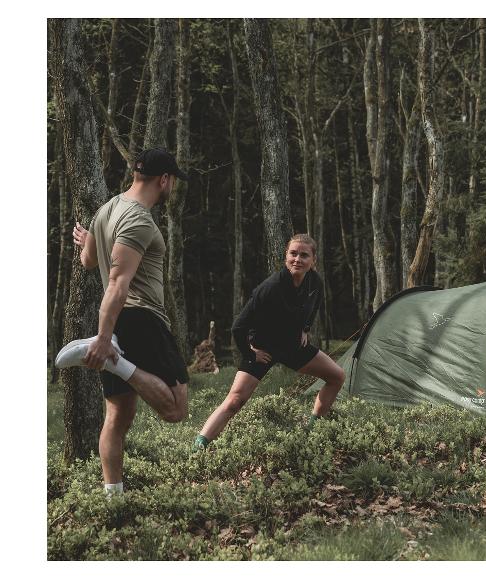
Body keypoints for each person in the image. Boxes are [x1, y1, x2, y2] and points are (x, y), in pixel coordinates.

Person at [55, 148, 191, 496]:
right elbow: (117, 281)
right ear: (164, 180)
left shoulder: (107, 210)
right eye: (172, 181)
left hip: (118, 321)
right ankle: (116, 361)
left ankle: (113, 501)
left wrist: (89, 240)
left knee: (118, 417)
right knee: (176, 409)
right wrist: (104, 339)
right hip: (140, 317)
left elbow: (88, 261)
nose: (172, 187)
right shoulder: (138, 221)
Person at [192, 234, 345, 451]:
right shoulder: (271, 287)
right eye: (293, 254)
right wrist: (250, 353)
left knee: (337, 376)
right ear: (286, 256)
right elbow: (238, 327)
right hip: (263, 349)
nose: (297, 259)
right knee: (235, 400)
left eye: (304, 255)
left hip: (293, 347)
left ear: (313, 260)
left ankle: (312, 429)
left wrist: (305, 328)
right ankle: (199, 446)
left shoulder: (315, 283)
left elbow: (314, 306)